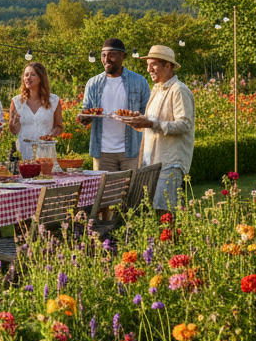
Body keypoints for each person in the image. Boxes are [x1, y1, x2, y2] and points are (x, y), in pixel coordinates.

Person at [126, 45, 195, 213]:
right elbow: (153, 126)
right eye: (148, 64)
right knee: (147, 211)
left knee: (164, 211)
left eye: (154, 64)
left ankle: (169, 240)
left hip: (169, 162)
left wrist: (151, 123)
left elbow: (185, 124)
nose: (149, 69)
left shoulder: (178, 90)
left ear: (168, 66)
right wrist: (139, 122)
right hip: (151, 162)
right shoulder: (157, 89)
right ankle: (154, 240)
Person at [77, 38, 151, 171]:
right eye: (103, 55)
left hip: (132, 151)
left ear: (123, 56)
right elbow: (86, 111)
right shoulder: (93, 84)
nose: (106, 59)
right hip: (102, 152)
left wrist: (137, 118)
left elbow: (148, 113)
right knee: (106, 191)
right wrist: (84, 118)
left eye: (111, 55)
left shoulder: (139, 81)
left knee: (133, 190)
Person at [7, 62, 63, 160]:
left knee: (46, 175)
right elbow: (13, 130)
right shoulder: (16, 102)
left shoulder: (54, 100)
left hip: (46, 152)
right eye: (26, 75)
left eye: (33, 75)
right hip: (24, 152)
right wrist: (14, 123)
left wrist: (51, 134)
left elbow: (59, 126)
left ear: (40, 78)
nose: (28, 78)